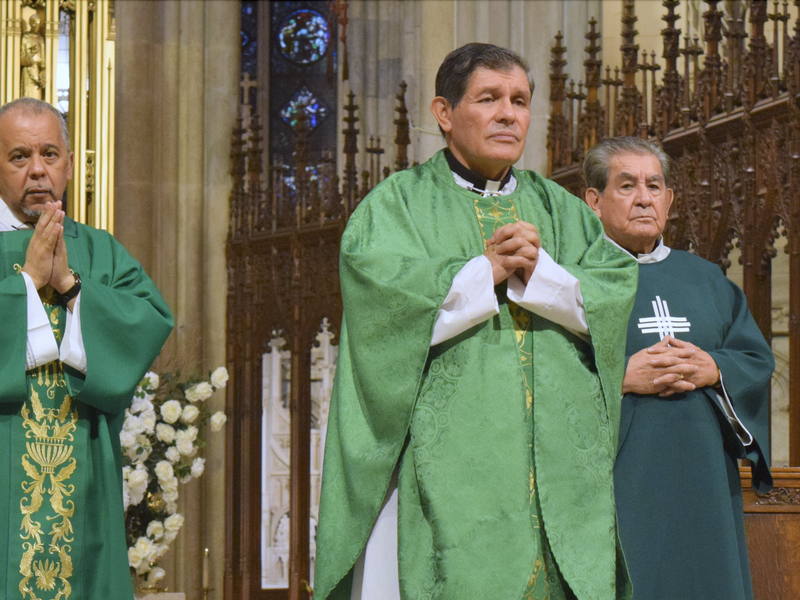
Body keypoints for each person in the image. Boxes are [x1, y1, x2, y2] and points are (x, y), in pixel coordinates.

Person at [315, 43, 639, 600]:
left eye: (519, 100)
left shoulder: (561, 210)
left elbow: (613, 293)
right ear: (444, 113)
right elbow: (378, 311)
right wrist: (482, 271)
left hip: (558, 479)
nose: (509, 114)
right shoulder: (396, 207)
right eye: (489, 99)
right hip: (453, 474)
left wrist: (543, 275)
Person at [583, 136, 774, 600]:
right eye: (626, 185)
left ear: (669, 200)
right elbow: (538, 375)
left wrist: (714, 367)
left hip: (705, 480)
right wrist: (621, 377)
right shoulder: (571, 279)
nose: (644, 198)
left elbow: (754, 360)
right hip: (616, 477)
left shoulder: (707, 279)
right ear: (593, 201)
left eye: (654, 186)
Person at [0, 98, 173, 600]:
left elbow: (148, 321)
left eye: (50, 154)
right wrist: (28, 282)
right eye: (18, 156)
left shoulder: (99, 251)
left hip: (84, 490)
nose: (37, 170)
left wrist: (72, 285)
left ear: (70, 164)